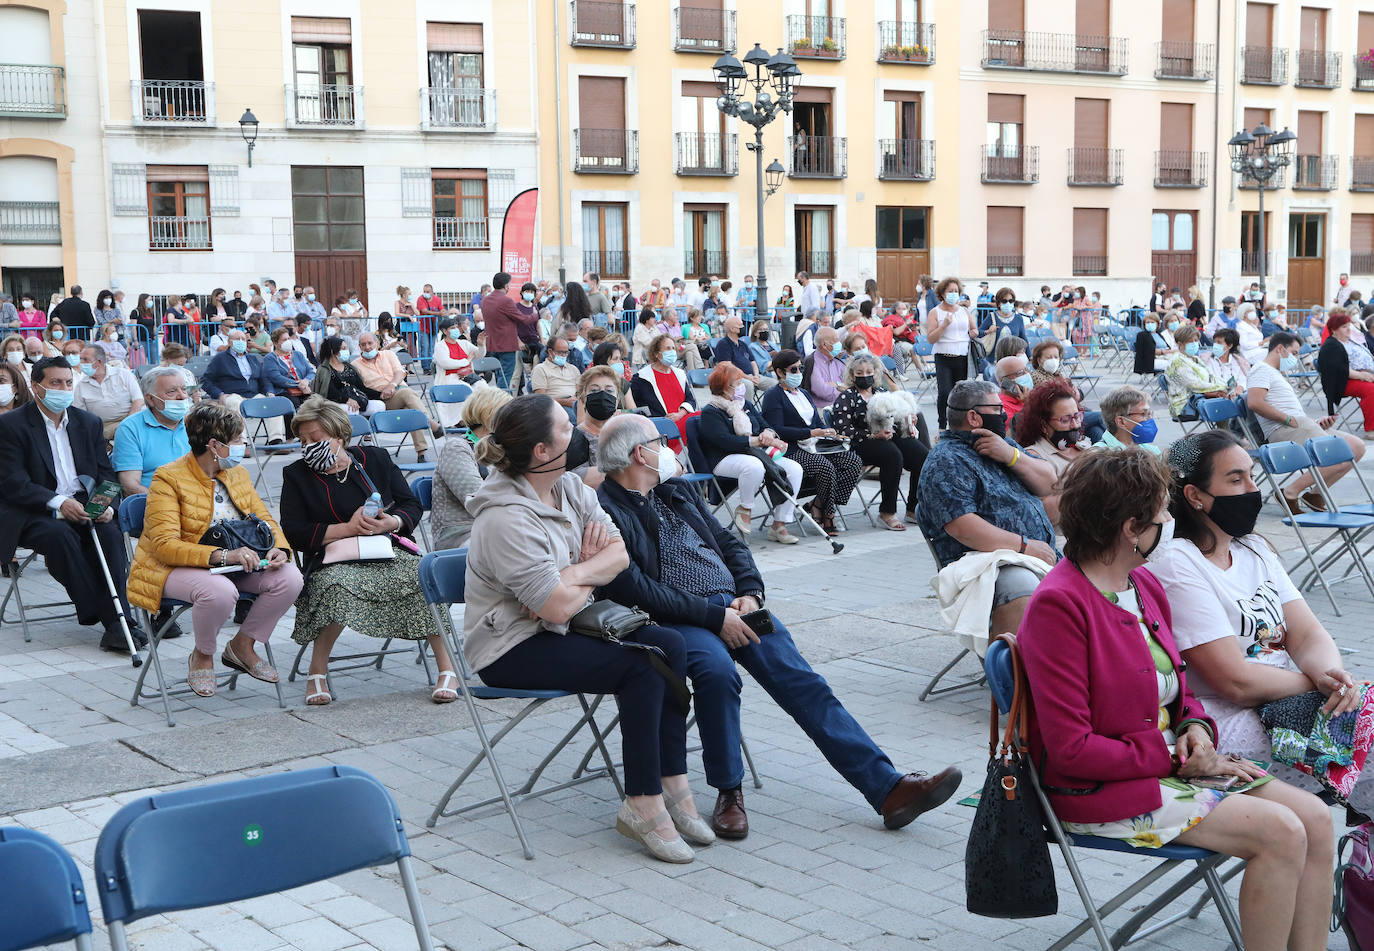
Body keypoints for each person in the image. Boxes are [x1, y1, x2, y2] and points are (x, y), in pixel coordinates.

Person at [1019, 447, 1333, 951]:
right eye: (1163, 513)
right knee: (1279, 832)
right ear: (1130, 527)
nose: (1170, 523)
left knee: (1315, 819)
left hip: (1167, 768)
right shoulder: (1060, 605)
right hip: (1099, 788)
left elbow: (1180, 691)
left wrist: (1196, 732)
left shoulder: (1140, 583)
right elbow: (1071, 749)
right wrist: (1170, 756)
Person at [595, 412, 963, 838]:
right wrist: (715, 618)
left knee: (804, 683)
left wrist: (751, 591)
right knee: (717, 674)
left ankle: (888, 789)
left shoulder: (674, 490)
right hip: (680, 620)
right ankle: (729, 791)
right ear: (641, 453)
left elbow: (729, 542)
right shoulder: (606, 508)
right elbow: (634, 589)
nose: (670, 450)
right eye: (662, 442)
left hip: (734, 603)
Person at [463, 394, 703, 863]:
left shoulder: (571, 488)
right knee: (640, 668)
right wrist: (580, 576)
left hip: (565, 624)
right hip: (511, 646)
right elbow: (552, 608)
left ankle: (673, 781)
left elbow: (618, 555)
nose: (579, 434)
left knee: (669, 644)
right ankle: (643, 802)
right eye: (566, 429)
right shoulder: (505, 518)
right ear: (540, 451)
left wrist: (572, 572)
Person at [1154, 430, 1374, 813]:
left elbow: (1306, 633)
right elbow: (1234, 681)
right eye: (1236, 479)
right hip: (1227, 718)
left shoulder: (1252, 547)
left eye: (1252, 476)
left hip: (1288, 700)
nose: (1252, 489)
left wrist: (1331, 674)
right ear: (1195, 496)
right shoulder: (1178, 561)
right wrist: (1317, 683)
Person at [279, 397, 459, 706]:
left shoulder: (373, 459)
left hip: (384, 548)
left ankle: (447, 668)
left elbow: (410, 504)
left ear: (339, 437)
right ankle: (317, 670)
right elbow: (294, 532)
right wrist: (347, 528)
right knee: (335, 587)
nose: (307, 446)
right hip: (332, 557)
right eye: (303, 440)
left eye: (315, 439)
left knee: (423, 577)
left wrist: (393, 521)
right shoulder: (297, 475)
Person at [126, 403, 303, 696]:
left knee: (290, 578)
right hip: (171, 566)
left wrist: (280, 548)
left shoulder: (236, 474)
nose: (242, 446)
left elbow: (265, 519)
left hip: (234, 562)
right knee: (219, 591)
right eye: (236, 441)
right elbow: (163, 546)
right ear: (214, 445)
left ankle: (242, 646)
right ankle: (203, 654)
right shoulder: (168, 478)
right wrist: (221, 556)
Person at [0, 357, 148, 652]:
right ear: (35, 386)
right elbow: (12, 482)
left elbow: (105, 473)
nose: (63, 389)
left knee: (109, 533)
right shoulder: (10, 425)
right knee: (61, 536)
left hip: (84, 501)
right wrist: (59, 503)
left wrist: (105, 505)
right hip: (35, 508)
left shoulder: (87, 422)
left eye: (68, 382)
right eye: (55, 383)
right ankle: (115, 619)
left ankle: (116, 620)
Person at [915, 379, 1058, 636]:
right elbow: (963, 526)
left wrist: (1010, 456)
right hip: (984, 561)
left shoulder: (1001, 443)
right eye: (997, 409)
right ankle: (1015, 671)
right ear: (973, 417)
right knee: (1020, 586)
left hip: (1031, 553)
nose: (1004, 414)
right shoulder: (947, 460)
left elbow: (1048, 482)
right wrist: (1025, 546)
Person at [1248, 331, 1363, 512]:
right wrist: (1287, 419)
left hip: (1299, 425)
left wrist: (1316, 422)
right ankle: (1289, 492)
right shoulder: (1261, 370)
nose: (1295, 358)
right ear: (1280, 349)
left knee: (1356, 446)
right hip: (1283, 428)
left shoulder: (1275, 372)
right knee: (1339, 454)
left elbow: (1290, 410)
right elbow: (1255, 402)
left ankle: (1315, 495)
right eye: (1293, 353)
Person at [760, 349, 862, 537]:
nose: (798, 373)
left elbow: (816, 422)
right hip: (789, 448)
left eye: (801, 368)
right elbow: (776, 429)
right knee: (824, 467)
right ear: (780, 372)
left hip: (814, 445)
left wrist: (827, 431)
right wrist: (809, 432)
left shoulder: (804, 394)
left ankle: (819, 504)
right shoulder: (773, 395)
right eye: (794, 369)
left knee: (853, 461)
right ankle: (828, 514)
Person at [699, 362, 803, 545]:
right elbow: (725, 441)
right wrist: (757, 440)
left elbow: (764, 424)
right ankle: (745, 509)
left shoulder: (744, 404)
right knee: (753, 467)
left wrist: (767, 434)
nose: (742, 387)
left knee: (794, 468)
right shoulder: (711, 411)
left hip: (755, 453)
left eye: (741, 382)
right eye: (736, 383)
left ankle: (779, 524)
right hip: (724, 457)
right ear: (723, 387)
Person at [830, 353, 928, 530]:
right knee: (893, 456)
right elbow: (842, 429)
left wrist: (908, 417)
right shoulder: (846, 397)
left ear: (876, 373)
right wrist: (873, 436)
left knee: (922, 456)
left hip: (889, 436)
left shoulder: (882, 392)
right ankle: (887, 512)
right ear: (852, 375)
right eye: (859, 372)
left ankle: (913, 508)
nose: (864, 375)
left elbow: (895, 416)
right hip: (860, 441)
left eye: (869, 371)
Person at [431, 386, 511, 550]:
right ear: (490, 418)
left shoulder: (504, 449)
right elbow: (479, 498)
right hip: (461, 532)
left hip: (499, 527)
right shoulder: (457, 448)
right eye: (509, 417)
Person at [353, 332, 442, 455]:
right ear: (359, 347)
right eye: (363, 344)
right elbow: (360, 389)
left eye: (370, 343)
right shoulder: (355, 365)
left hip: (398, 389)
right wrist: (381, 393)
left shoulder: (388, 354)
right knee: (408, 394)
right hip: (381, 400)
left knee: (410, 409)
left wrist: (392, 385)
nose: (367, 347)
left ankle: (421, 452)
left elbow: (399, 372)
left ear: (377, 343)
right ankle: (431, 424)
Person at [112, 367, 192, 495]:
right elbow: (130, 486)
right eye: (172, 391)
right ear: (150, 399)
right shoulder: (130, 429)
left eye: (184, 389)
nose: (182, 396)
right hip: (156, 505)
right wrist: (172, 502)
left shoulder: (196, 422)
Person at [200, 330, 286, 444]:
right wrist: (219, 394)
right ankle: (241, 442)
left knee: (274, 402)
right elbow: (206, 381)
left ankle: (275, 440)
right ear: (230, 342)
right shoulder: (220, 359)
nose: (241, 341)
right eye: (237, 339)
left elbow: (264, 380)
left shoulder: (253, 359)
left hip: (254, 395)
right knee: (234, 403)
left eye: (243, 339)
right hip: (233, 395)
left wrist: (270, 392)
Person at [1317, 310, 1374, 440]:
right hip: (1343, 382)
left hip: (1361, 375)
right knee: (1371, 390)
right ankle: (1371, 430)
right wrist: (1364, 376)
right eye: (1344, 327)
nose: (1348, 329)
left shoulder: (1351, 341)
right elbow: (1340, 369)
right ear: (1334, 330)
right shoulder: (1331, 345)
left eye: (1349, 326)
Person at [925, 277, 973, 429]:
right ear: (942, 293)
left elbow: (973, 329)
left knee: (959, 394)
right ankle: (942, 425)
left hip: (962, 356)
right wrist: (944, 325)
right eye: (950, 291)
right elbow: (931, 338)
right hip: (943, 356)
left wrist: (974, 332)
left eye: (956, 291)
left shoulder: (964, 311)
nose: (954, 294)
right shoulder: (935, 312)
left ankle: (958, 425)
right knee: (945, 392)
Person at [72, 343, 144, 441]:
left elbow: (138, 401)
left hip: (129, 420)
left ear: (99, 362)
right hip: (101, 426)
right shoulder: (81, 385)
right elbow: (80, 414)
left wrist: (126, 424)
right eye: (81, 359)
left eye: (85, 360)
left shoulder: (123, 374)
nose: (81, 363)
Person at [630, 334, 697, 435]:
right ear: (657, 354)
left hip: (682, 420)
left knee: (705, 416)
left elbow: (690, 400)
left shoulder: (680, 374)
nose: (672, 351)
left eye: (673, 348)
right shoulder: (642, 377)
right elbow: (637, 407)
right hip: (662, 427)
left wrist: (680, 414)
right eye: (668, 348)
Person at [479, 272, 534, 391]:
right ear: (506, 286)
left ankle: (499, 400)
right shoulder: (506, 301)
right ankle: (502, 404)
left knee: (499, 376)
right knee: (505, 378)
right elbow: (522, 319)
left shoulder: (485, 300)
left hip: (492, 344)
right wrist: (535, 315)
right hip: (506, 345)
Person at [568, 365, 622, 488]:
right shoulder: (574, 438)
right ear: (582, 398)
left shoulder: (627, 432)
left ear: (617, 399)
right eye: (594, 391)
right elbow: (575, 480)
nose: (602, 395)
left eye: (609, 391)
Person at [1163, 323, 1230, 421]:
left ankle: (1225, 433)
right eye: (1190, 341)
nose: (1194, 344)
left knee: (1230, 400)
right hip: (1185, 406)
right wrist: (1222, 388)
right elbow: (1195, 385)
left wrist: (1225, 386)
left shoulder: (1195, 358)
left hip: (1199, 398)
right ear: (1179, 343)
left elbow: (1211, 377)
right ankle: (1225, 434)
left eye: (1196, 340)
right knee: (1226, 405)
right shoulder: (1178, 361)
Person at [313, 336, 382, 416]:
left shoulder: (349, 367)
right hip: (333, 404)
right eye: (343, 348)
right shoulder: (324, 369)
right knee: (352, 410)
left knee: (380, 406)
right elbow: (330, 392)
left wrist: (380, 394)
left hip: (356, 400)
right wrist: (347, 400)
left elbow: (361, 388)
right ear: (333, 351)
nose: (346, 351)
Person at [1094, 384, 1162, 456]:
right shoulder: (1099, 457)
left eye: (1150, 413)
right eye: (1143, 414)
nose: (1150, 418)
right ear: (1121, 421)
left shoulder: (1152, 452)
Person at [714, 314, 768, 393]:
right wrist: (748, 377)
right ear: (732, 329)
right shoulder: (723, 344)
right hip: (734, 378)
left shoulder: (743, 344)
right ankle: (747, 405)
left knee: (774, 384)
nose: (743, 328)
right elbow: (728, 367)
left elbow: (753, 362)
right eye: (740, 326)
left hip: (752, 376)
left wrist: (756, 375)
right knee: (748, 385)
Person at [262, 327, 316, 407]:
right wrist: (298, 385)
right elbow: (277, 378)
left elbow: (311, 371)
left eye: (288, 338)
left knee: (315, 402)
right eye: (284, 340)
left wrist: (306, 381)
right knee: (294, 404)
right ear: (275, 343)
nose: (288, 341)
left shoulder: (298, 354)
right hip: (284, 391)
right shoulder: (270, 358)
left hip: (305, 388)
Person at [530, 333, 580, 408]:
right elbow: (540, 399)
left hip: (575, 403)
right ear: (550, 352)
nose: (564, 355)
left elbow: (580, 392)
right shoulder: (540, 369)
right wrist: (564, 402)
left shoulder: (573, 369)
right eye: (560, 352)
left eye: (566, 352)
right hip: (554, 406)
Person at [1203, 327, 1250, 392]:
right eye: (1214, 342)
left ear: (1229, 346)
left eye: (1219, 342)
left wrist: (1240, 387)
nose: (1215, 345)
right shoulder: (1208, 360)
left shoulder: (1238, 362)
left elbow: (1243, 380)